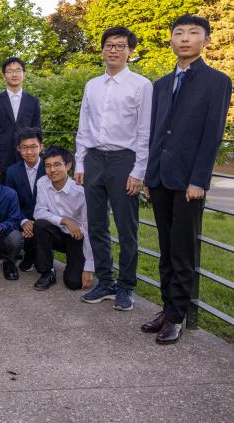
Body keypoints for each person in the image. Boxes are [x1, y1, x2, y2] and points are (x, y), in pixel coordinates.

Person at [142, 14, 232, 345]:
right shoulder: (162, 84)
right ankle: (167, 308)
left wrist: (199, 180)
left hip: (188, 181)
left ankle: (177, 317)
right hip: (161, 177)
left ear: (205, 40)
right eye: (178, 32)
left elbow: (212, 136)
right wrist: (150, 175)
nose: (184, 38)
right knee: (166, 249)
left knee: (182, 250)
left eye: (193, 33)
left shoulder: (217, 81)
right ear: (171, 39)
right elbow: (154, 133)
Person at [74, 27, 152, 311]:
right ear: (102, 49)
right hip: (94, 159)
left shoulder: (142, 86)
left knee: (126, 228)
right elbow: (84, 126)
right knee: (95, 224)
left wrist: (138, 171)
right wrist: (80, 161)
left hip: (124, 161)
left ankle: (126, 287)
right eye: (109, 45)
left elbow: (144, 133)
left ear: (130, 50)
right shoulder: (92, 85)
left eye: (120, 45)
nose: (114, 50)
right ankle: (105, 281)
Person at [32, 147, 95, 292]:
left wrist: (89, 268)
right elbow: (39, 211)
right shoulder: (42, 183)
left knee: (74, 283)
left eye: (57, 165)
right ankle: (47, 272)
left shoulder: (80, 192)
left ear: (68, 166)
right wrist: (64, 220)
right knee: (40, 225)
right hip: (58, 234)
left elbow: (89, 228)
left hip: (77, 238)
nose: (52, 170)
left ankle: (75, 264)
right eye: (48, 166)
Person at [0, 57, 41, 176]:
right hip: (2, 157)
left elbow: (37, 131)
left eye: (18, 70)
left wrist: (36, 155)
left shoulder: (33, 101)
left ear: (24, 74)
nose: (14, 74)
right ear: (4, 76)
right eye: (10, 71)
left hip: (27, 155)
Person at [4, 128, 45, 272]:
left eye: (33, 147)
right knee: (14, 235)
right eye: (24, 148)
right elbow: (11, 202)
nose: (29, 152)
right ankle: (27, 253)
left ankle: (38, 256)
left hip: (46, 220)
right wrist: (24, 221)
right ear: (18, 149)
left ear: (41, 146)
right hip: (23, 220)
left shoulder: (50, 168)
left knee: (42, 266)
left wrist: (37, 222)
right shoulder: (12, 171)